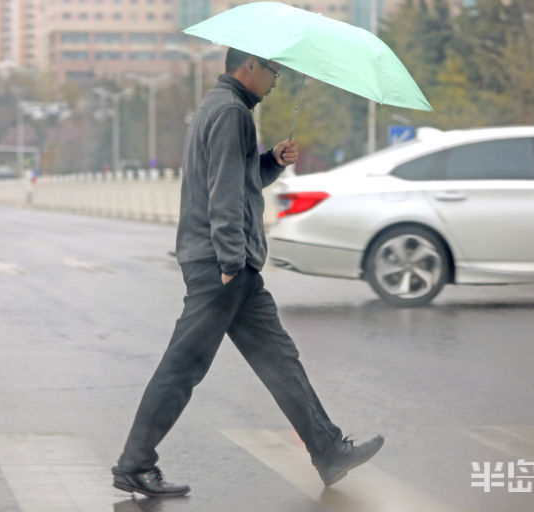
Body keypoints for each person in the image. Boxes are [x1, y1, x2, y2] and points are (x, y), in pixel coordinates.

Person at [112, 48, 384, 498]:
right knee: (183, 366)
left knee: (280, 360)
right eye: (273, 70)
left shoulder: (223, 108)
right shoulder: (231, 113)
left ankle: (328, 450)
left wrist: (272, 159)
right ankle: (134, 463)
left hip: (230, 265)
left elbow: (241, 178)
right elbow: (222, 192)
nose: (276, 80)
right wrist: (230, 262)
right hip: (221, 264)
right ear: (250, 66)